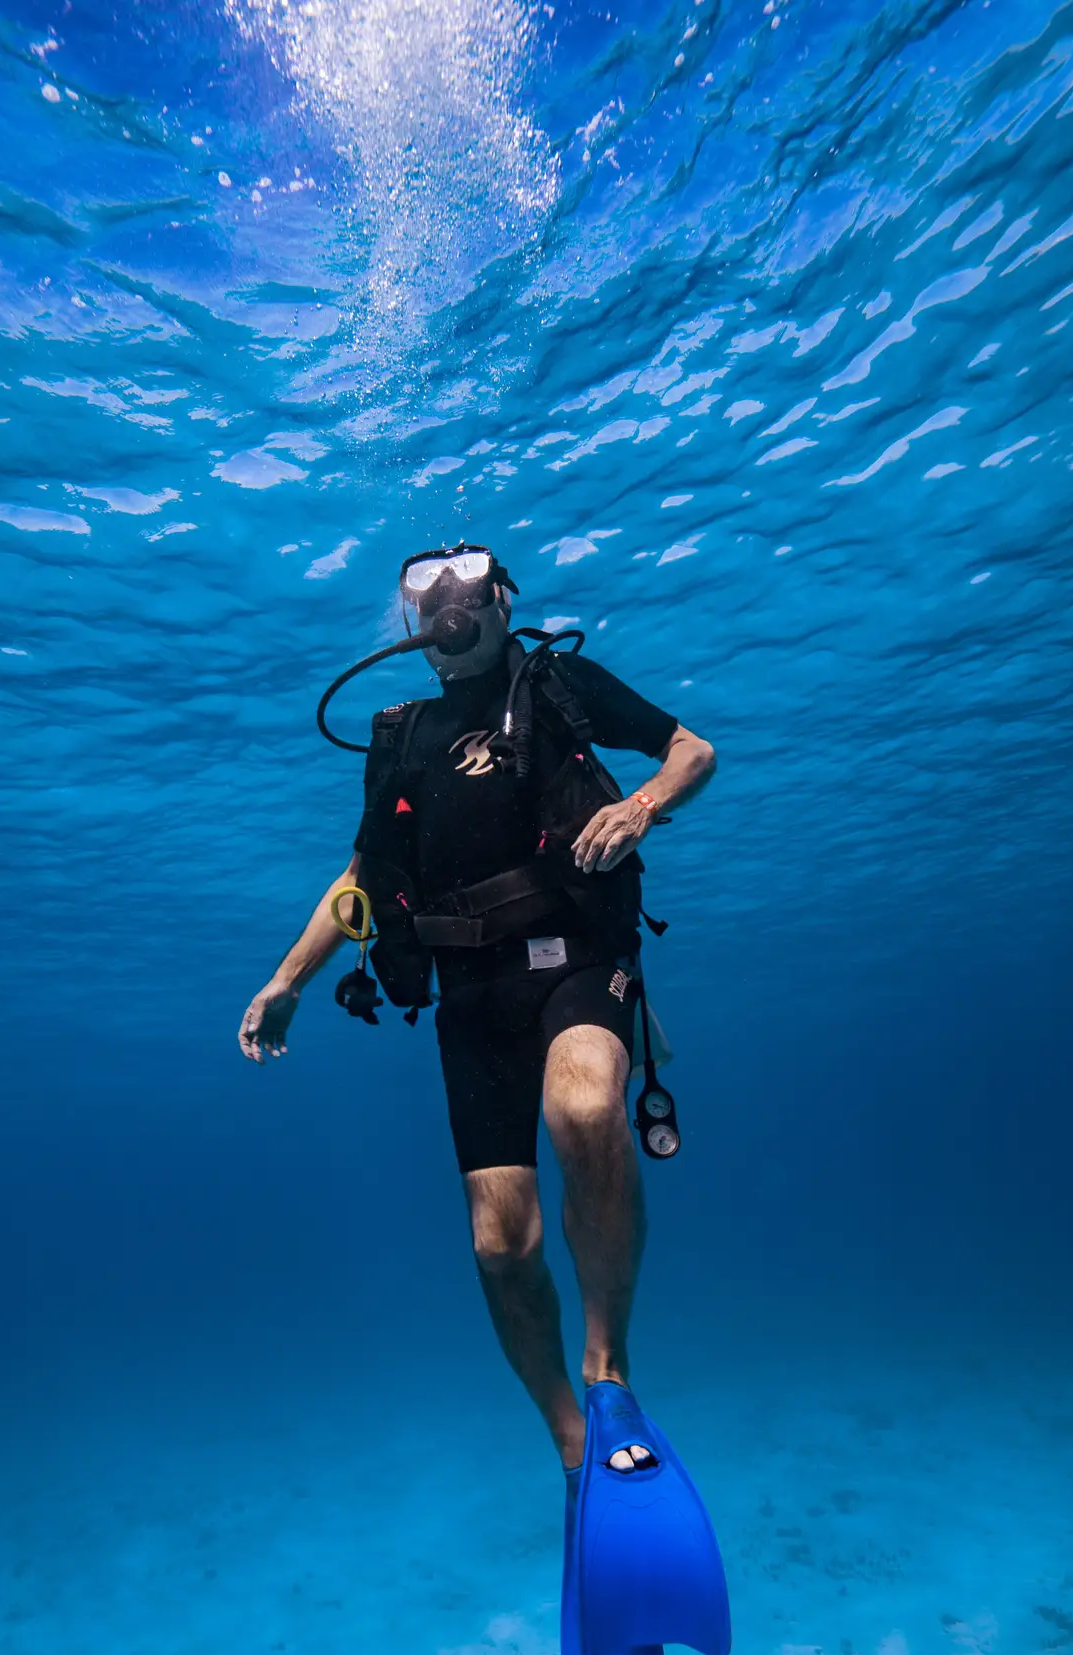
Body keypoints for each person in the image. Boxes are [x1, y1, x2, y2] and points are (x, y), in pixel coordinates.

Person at [237, 545, 716, 1479]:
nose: (446, 613)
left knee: (584, 1109)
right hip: (471, 993)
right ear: (413, 627)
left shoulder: (558, 685)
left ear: (502, 602)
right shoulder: (400, 737)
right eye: (426, 601)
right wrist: (286, 981)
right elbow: (362, 878)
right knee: (501, 1245)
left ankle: (609, 1374)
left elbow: (691, 750)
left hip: (578, 957)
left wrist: (643, 807)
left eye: (465, 593)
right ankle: (571, 1441)